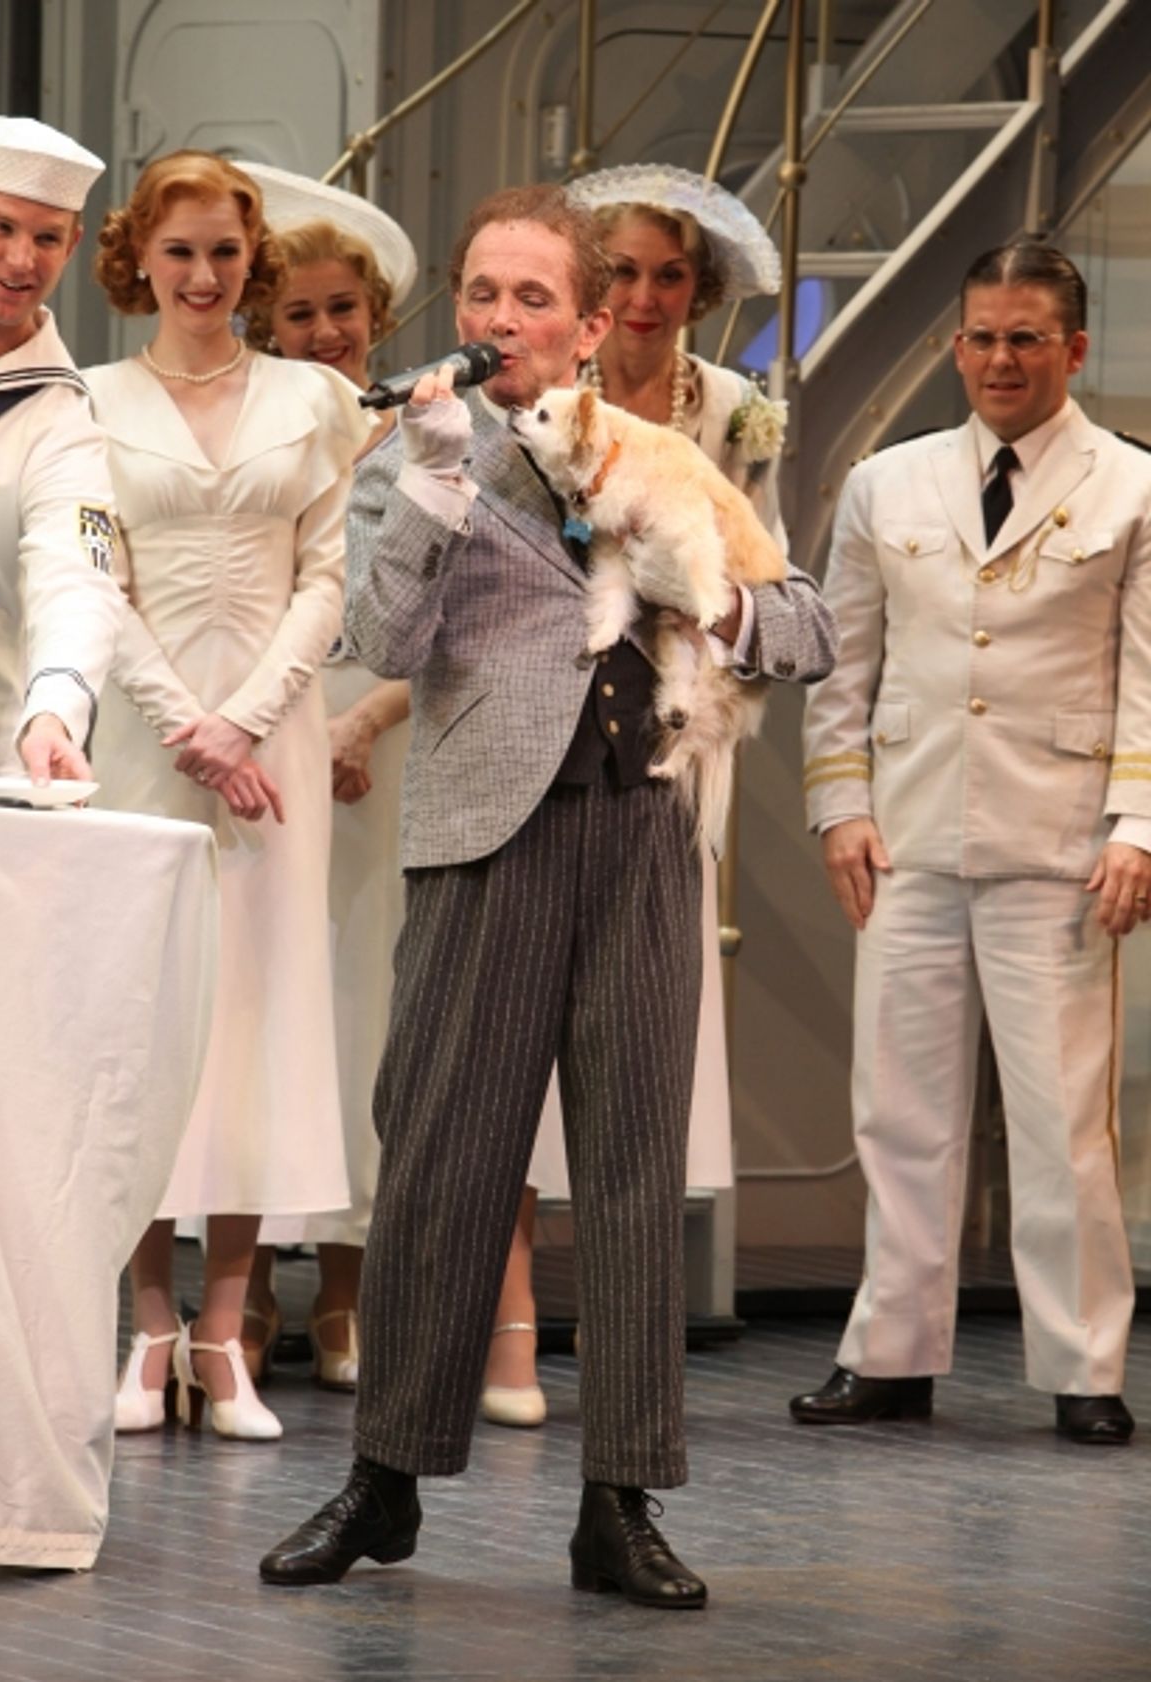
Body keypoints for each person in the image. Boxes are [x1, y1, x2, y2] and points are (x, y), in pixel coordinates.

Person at [259, 182, 837, 1608]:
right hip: (485, 836)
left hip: (641, 830)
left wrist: (720, 607)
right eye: (480, 293)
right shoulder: (418, 452)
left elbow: (805, 618)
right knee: (445, 1158)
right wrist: (444, 485)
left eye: (531, 299)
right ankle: (385, 1478)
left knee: (636, 1170)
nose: (498, 320)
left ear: (589, 326)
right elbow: (381, 634)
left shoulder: (676, 451)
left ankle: (621, 1497)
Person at [794, 240, 1151, 1445]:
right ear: (956, 345)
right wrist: (840, 802)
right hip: (909, 833)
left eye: (1026, 339)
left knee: (1062, 1122)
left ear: (1074, 350)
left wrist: (1139, 824)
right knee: (899, 1111)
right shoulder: (886, 483)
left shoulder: (1130, 486)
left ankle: (1086, 1366)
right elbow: (843, 664)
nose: (1001, 359)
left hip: (1056, 843)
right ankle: (890, 1352)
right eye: (983, 338)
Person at [480, 163, 790, 1427]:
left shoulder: (737, 411)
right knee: (482, 1097)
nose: (651, 297)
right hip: (523, 744)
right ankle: (485, 1357)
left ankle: (627, 1421)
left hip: (667, 713)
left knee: (635, 1105)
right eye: (628, 276)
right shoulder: (527, 410)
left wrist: (710, 610)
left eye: (673, 276)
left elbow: (768, 577)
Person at [88, 151, 369, 1441]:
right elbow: (94, 582)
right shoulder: (83, 402)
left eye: (225, 254)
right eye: (181, 252)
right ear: (139, 259)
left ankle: (226, 1326)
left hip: (276, 737)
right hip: (143, 740)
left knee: (258, 1012)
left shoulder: (312, 398)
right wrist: (183, 728)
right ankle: (149, 1324)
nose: (204, 277)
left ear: (252, 264)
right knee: (143, 1015)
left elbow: (328, 576)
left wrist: (246, 719)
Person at [238, 160, 418, 1390]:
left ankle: (348, 1289)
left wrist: (362, 721)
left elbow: (465, 608)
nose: (322, 333)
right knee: (252, 1010)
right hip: (263, 751)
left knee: (368, 1022)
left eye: (340, 311)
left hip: (396, 754)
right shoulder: (245, 425)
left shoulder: (426, 430)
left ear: (378, 317)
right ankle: (237, 1289)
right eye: (296, 314)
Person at [0, 113, 121, 779]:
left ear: (74, 244)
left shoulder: (60, 418)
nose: (22, 260)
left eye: (47, 237)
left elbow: (78, 575)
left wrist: (54, 707)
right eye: (1, 227)